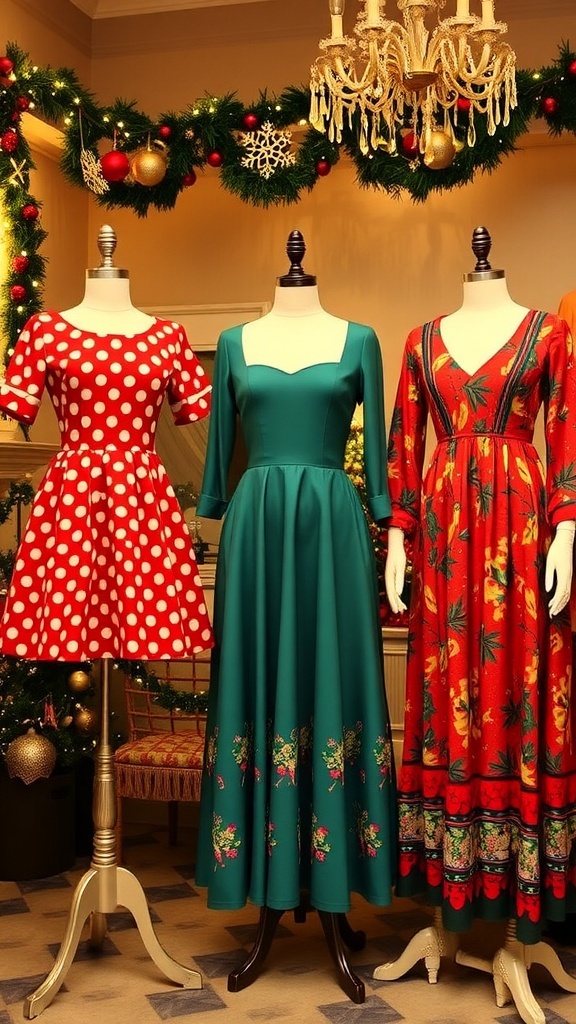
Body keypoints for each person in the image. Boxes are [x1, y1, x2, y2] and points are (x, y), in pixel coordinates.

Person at [194, 232, 396, 995]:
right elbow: (220, 458)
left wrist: (383, 511)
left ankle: (333, 881)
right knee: (258, 686)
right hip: (256, 528)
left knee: (332, 687)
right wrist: (213, 502)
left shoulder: (360, 341)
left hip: (335, 530)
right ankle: (268, 880)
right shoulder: (234, 344)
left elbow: (375, 460)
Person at [384, 230, 576, 946]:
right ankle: (450, 893)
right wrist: (398, 537)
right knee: (446, 683)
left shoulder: (548, 333)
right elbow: (406, 440)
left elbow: (567, 431)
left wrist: (568, 529)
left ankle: (516, 900)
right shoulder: (420, 340)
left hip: (523, 525)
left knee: (519, 678)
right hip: (442, 534)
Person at [0, 225, 213, 661]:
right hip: (73, 492)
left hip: (141, 495)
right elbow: (20, 403)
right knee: (69, 591)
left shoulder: (169, 337)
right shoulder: (44, 331)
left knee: (142, 602)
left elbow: (192, 409)